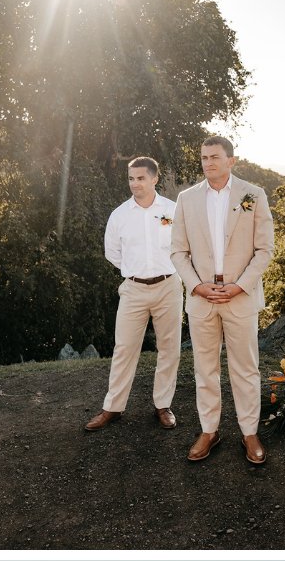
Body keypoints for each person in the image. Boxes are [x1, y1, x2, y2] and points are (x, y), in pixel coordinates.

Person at [170, 136, 274, 464]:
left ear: (231, 160)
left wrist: (240, 286)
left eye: (215, 157)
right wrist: (196, 286)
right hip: (202, 298)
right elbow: (178, 251)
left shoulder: (253, 195)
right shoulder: (186, 199)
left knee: (245, 368)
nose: (208, 162)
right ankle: (209, 430)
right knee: (205, 368)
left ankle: (249, 432)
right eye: (203, 157)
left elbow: (264, 250)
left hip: (239, 297)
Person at [85, 156, 182, 433]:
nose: (135, 184)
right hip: (133, 289)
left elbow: (182, 246)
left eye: (141, 178)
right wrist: (134, 269)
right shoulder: (119, 215)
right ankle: (112, 408)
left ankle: (163, 405)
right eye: (131, 178)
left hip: (168, 286)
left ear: (154, 179)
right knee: (124, 348)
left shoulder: (173, 210)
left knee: (169, 349)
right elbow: (112, 252)